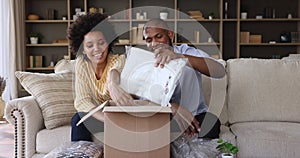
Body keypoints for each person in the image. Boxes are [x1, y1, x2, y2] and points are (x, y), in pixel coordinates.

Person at [140, 18, 226, 138]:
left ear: (170, 34)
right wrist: (172, 107)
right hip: (163, 115)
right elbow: (143, 99)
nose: (154, 44)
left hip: (195, 114)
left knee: (211, 124)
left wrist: (179, 57)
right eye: (149, 40)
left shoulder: (186, 52)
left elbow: (220, 71)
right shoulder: (145, 63)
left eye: (159, 37)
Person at [67, 13, 133, 141]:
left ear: (108, 42)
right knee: (78, 118)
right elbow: (82, 101)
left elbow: (115, 71)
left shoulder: (119, 60)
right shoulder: (82, 63)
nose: (97, 49)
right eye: (90, 45)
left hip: (120, 115)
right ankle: (80, 154)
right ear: (83, 49)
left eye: (101, 43)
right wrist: (105, 119)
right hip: (100, 117)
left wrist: (113, 84)